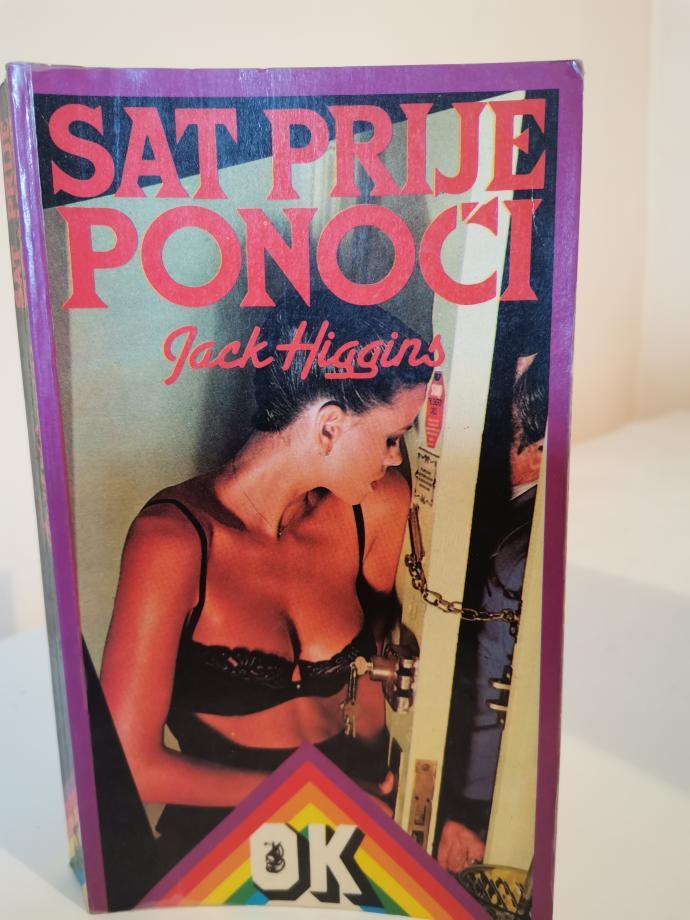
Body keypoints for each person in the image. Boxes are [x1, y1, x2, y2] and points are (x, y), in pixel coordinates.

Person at [100, 293, 431, 863]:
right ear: (329, 427)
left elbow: (376, 677)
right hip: (216, 846)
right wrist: (321, 799)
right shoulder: (174, 542)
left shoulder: (375, 510)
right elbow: (130, 763)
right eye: (391, 437)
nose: (396, 458)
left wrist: (372, 782)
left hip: (345, 831)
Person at [437, 350, 547, 874]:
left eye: (511, 409)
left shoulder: (525, 555)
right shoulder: (509, 522)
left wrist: (470, 812)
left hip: (483, 809)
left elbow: (497, 694)